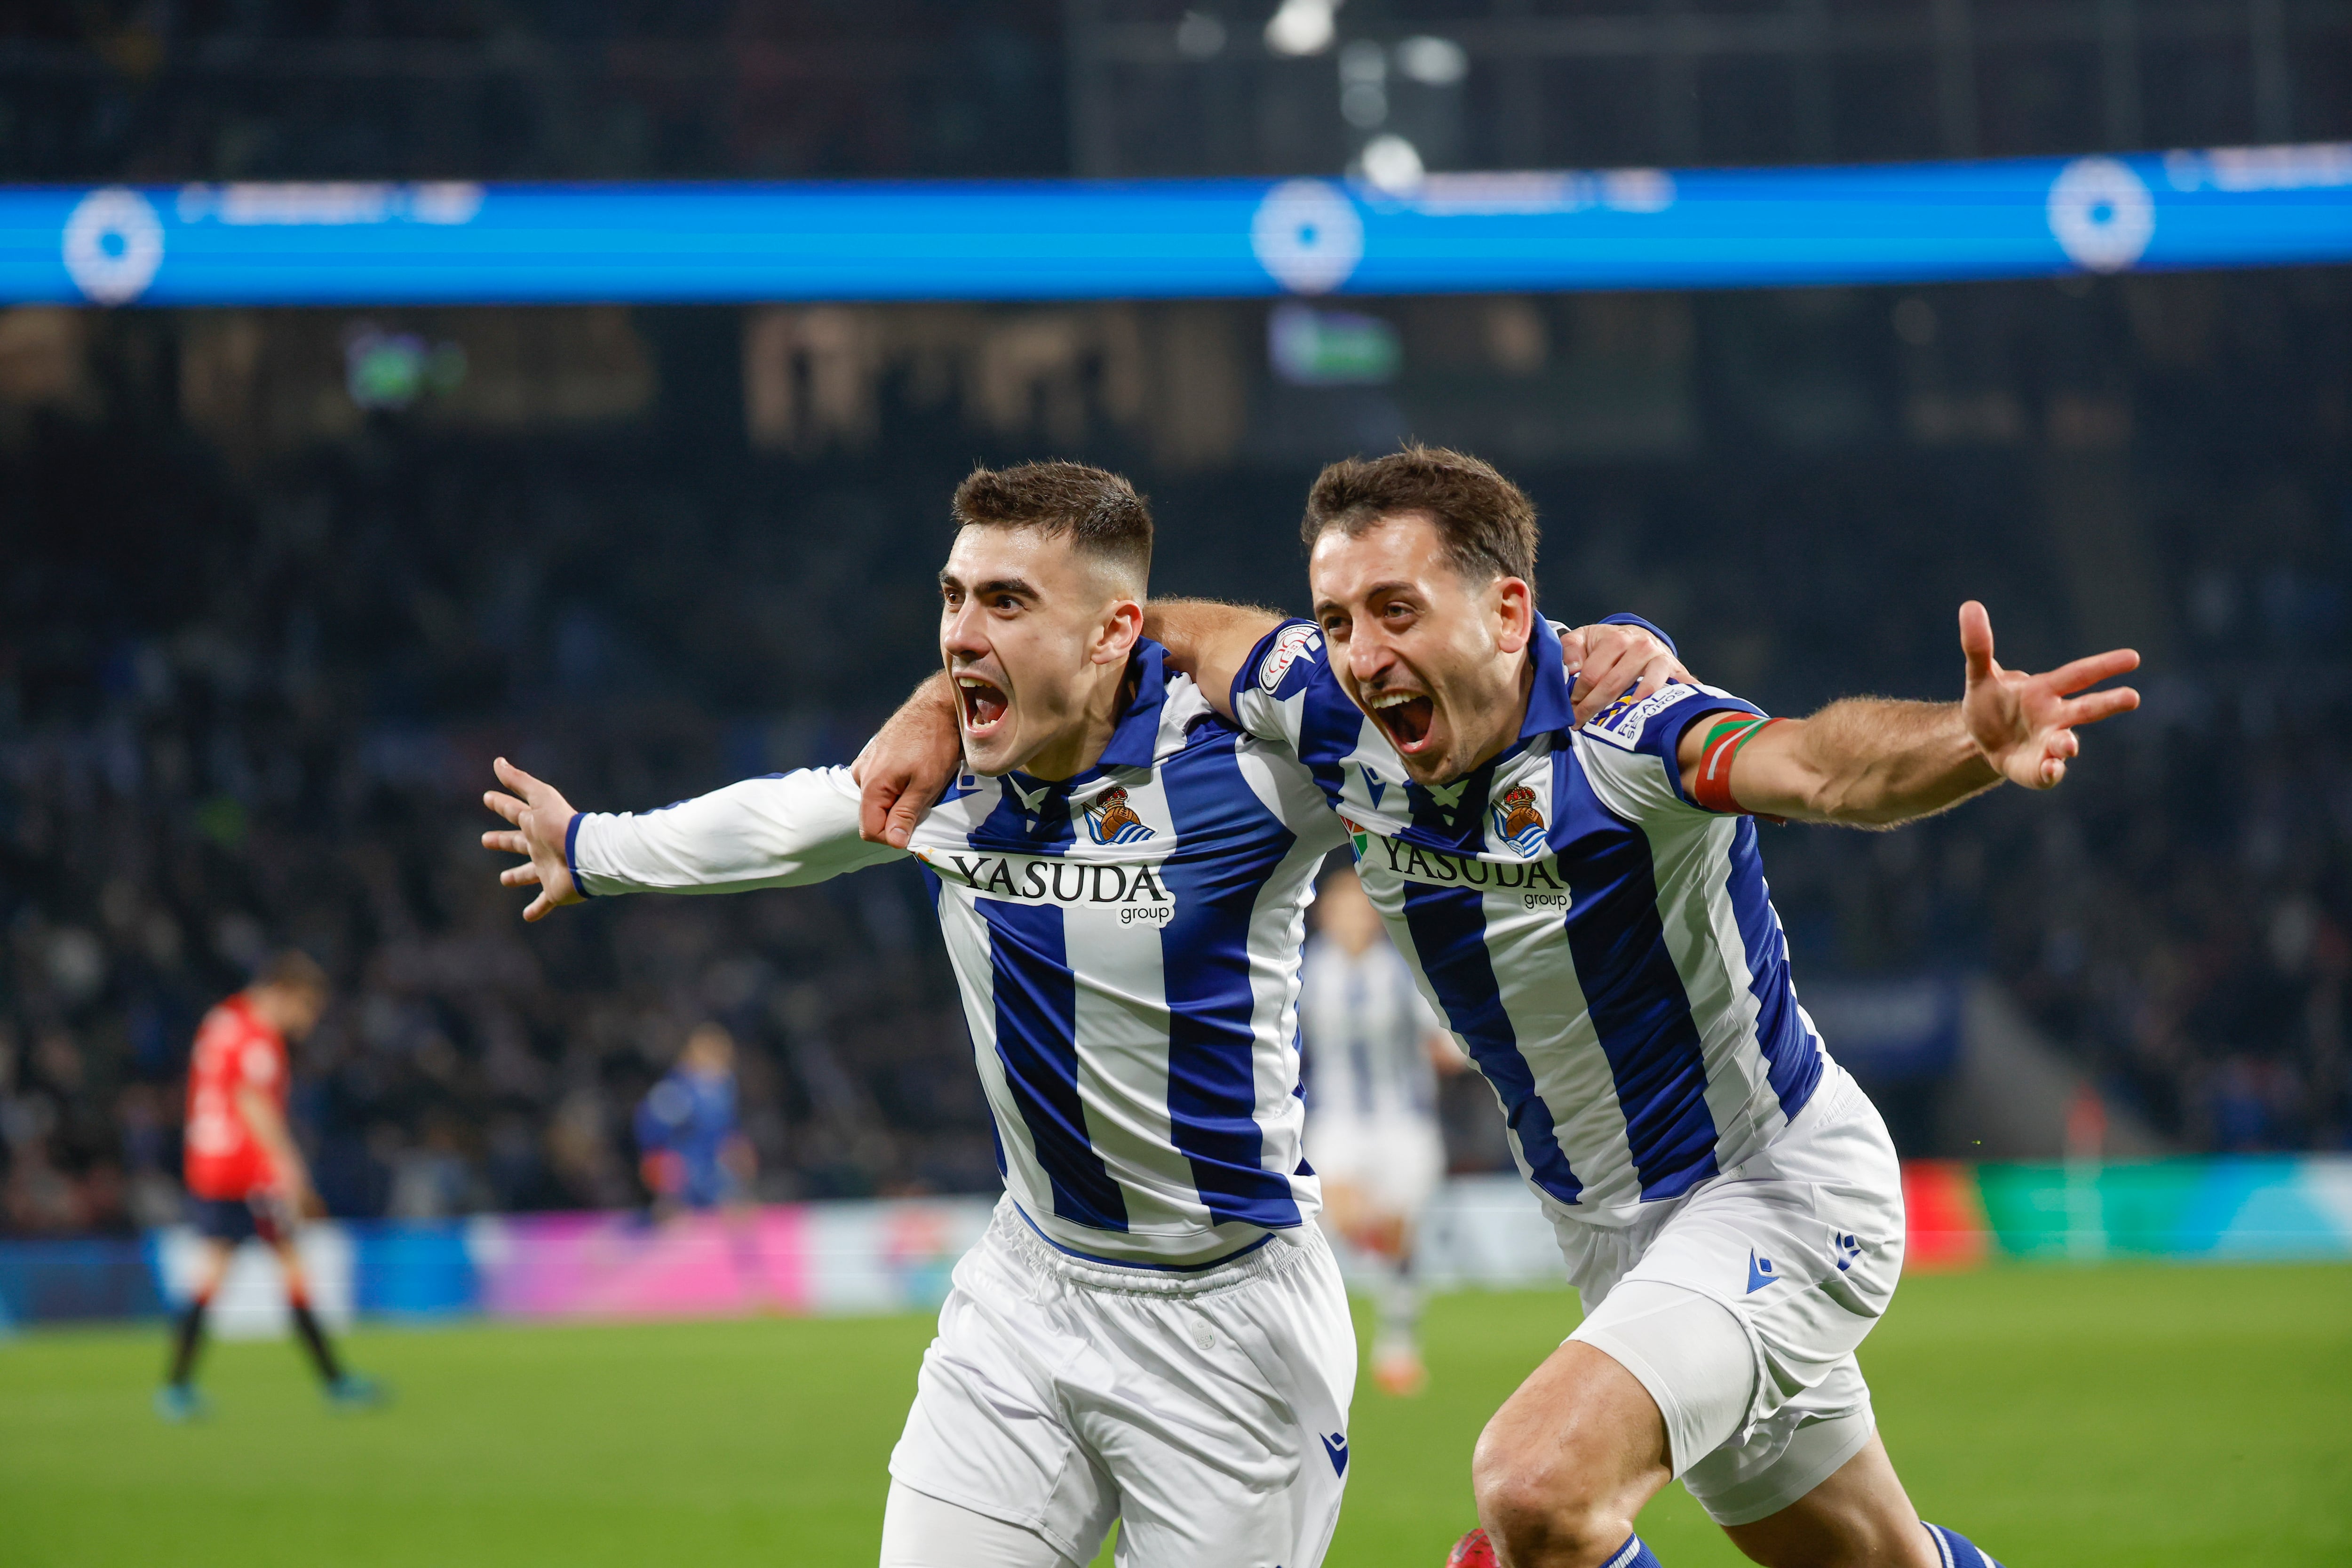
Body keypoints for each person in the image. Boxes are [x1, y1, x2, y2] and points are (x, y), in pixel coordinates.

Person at [858, 445, 2139, 1568]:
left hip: (1772, 1192)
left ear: (1508, 606)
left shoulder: (1625, 725)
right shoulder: (1329, 709)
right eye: (1339, 615)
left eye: (1397, 611)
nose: (1362, 654)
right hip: (1611, 1235)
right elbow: (1154, 625)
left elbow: (1817, 762)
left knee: (1536, 1488)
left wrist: (1967, 741)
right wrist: (937, 695)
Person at [487, 461, 1674, 1568]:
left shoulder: (1254, 760)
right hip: (1027, 1289)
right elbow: (793, 825)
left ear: (1115, 631)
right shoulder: (948, 774)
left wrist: (1625, 647)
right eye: (953, 597)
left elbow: (1467, 691)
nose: (962, 632)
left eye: (1006, 600)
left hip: (1228, 1323)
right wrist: (592, 849)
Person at [159, 951, 382, 1421]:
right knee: (291, 1266)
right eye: (306, 1008)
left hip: (209, 1162)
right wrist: (292, 1170)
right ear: (282, 994)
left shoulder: (222, 1020)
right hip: (247, 1169)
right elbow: (253, 1104)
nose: (308, 1021)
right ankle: (336, 1382)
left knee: (217, 1270)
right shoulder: (258, 1038)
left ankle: (176, 1388)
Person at [1298, 865, 1464, 1397]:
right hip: (1336, 1120)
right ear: (1325, 915)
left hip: (1403, 1122)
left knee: (1398, 1238)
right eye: (1341, 908)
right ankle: (1316, 1343)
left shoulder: (1401, 973)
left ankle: (1396, 1344)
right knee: (1337, 1216)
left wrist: (1454, 1053)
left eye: (1359, 908)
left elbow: (1446, 1040)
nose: (1350, 918)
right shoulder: (1304, 972)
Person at [636, 1022, 756, 1218]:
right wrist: (666, 1183)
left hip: (718, 1177)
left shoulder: (725, 1090)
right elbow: (653, 1138)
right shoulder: (675, 1090)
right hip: (683, 1179)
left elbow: (729, 1134)